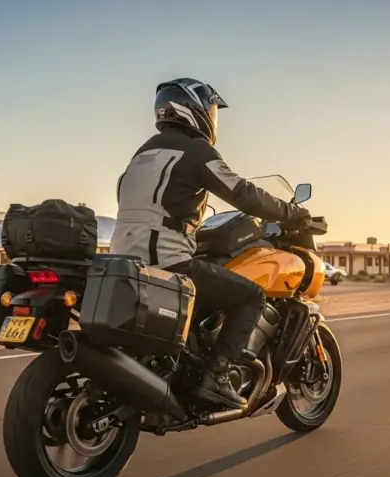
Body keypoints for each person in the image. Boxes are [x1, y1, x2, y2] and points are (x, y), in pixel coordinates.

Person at [110, 77, 310, 410]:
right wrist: (292, 213)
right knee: (251, 295)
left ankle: (188, 366)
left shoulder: (143, 153)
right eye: (211, 110)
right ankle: (217, 376)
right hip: (167, 261)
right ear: (193, 109)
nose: (212, 118)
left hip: (124, 261)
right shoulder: (196, 150)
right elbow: (243, 193)